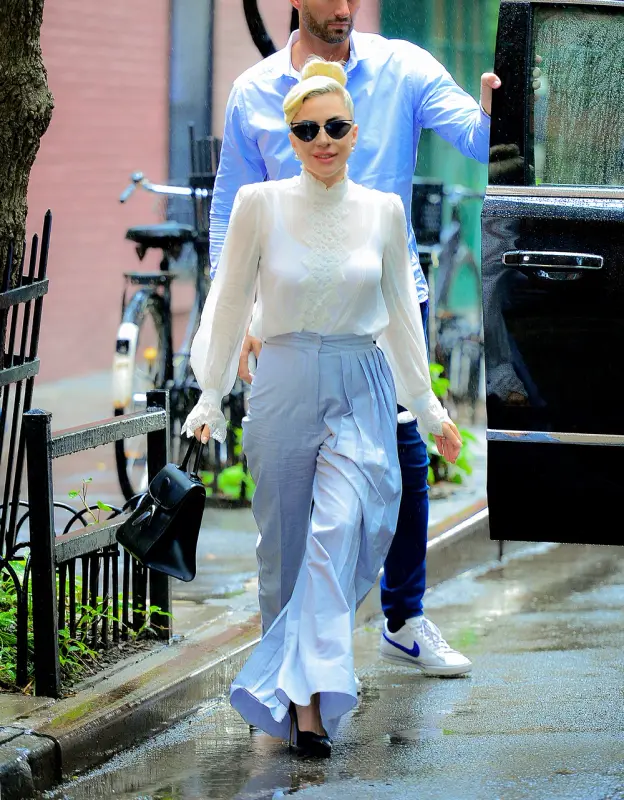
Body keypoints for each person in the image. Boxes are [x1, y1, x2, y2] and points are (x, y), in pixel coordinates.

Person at [207, 0, 501, 677]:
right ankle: (298, 640)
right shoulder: (254, 92)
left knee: (400, 458)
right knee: (297, 484)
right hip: (291, 318)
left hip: (383, 303)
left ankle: (403, 616)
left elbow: (481, 143)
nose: (342, 8)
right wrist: (237, 313)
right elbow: (230, 207)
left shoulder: (403, 67)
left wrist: (493, 106)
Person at [182, 58, 461, 756]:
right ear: (291, 135)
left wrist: (429, 413)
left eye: (335, 126)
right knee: (284, 549)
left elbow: (400, 316)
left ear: (356, 130)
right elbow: (227, 301)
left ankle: (304, 679)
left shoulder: (384, 211)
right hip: (280, 380)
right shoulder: (261, 204)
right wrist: (210, 393)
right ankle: (301, 703)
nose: (323, 139)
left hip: (360, 380)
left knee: (342, 533)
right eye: (307, 129)